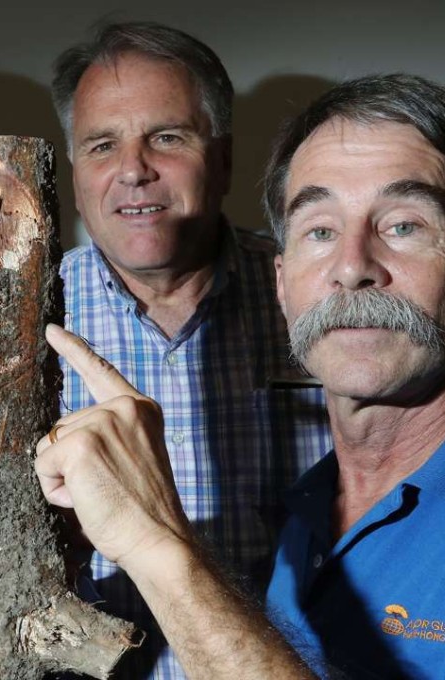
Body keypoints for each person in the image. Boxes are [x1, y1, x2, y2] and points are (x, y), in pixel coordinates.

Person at [35, 73, 445, 678]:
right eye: (321, 231)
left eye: (404, 225)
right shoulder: (311, 506)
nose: (353, 267)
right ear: (281, 283)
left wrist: (155, 541)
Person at [49, 22, 331, 677]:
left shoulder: (317, 295)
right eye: (101, 145)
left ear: (225, 158)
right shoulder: (22, 323)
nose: (133, 170)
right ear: (75, 171)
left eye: (167, 138)